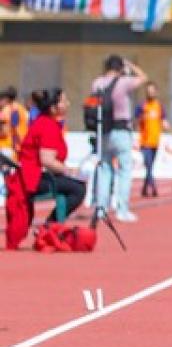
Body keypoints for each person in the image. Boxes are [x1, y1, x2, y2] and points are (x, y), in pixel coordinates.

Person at [91, 54, 146, 223]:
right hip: (121, 129)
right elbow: (144, 78)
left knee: (104, 169)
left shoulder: (97, 83)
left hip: (103, 129)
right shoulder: (124, 82)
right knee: (124, 170)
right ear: (120, 68)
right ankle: (122, 209)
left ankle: (101, 209)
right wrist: (130, 66)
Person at [19, 88, 86, 223]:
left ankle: (51, 225)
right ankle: (51, 225)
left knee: (74, 184)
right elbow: (47, 160)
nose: (68, 103)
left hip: (36, 175)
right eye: (64, 101)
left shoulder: (46, 122)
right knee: (78, 189)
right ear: (53, 108)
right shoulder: (47, 126)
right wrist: (70, 171)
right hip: (34, 179)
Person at [134, 81, 171, 198]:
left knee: (150, 165)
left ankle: (145, 188)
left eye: (152, 91)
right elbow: (135, 120)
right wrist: (141, 119)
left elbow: (164, 120)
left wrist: (166, 125)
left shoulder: (159, 106)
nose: (150, 93)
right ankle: (153, 187)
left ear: (156, 92)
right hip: (145, 141)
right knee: (148, 164)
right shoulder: (142, 106)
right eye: (148, 91)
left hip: (155, 141)